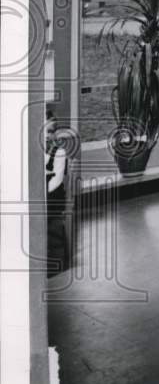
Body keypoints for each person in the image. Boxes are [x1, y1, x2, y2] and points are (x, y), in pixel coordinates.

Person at [45, 112, 69, 277]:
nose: (47, 136)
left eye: (51, 131)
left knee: (53, 226)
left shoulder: (59, 152)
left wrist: (43, 194)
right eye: (44, 131)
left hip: (52, 195)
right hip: (40, 194)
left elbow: (57, 179)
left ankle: (56, 262)